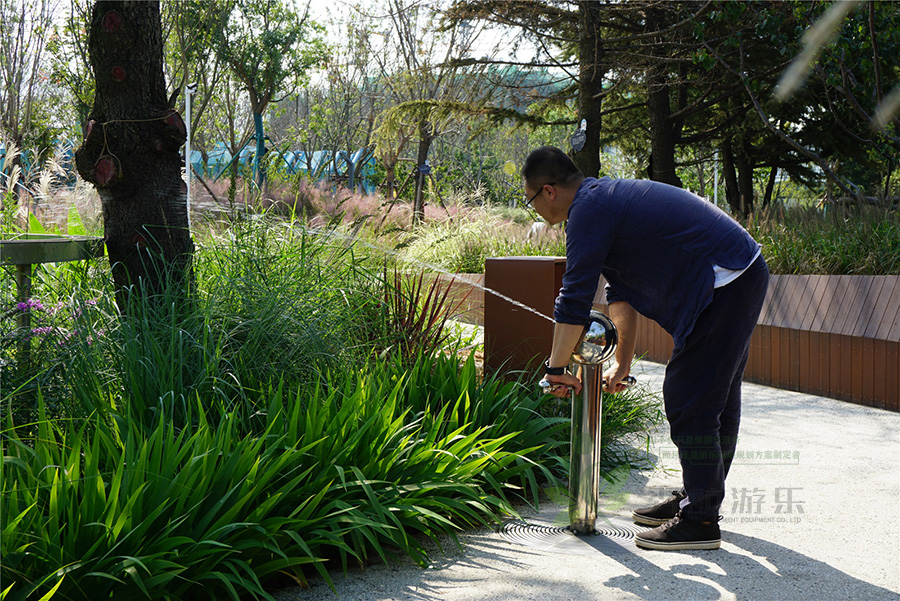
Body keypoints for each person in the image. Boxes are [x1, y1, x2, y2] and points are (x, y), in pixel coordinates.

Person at [523, 146, 769, 551]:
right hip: (737, 273)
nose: (534, 209)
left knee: (691, 400)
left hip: (726, 279)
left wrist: (554, 368)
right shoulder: (600, 201)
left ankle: (701, 518)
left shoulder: (588, 210)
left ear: (548, 191)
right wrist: (621, 364)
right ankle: (700, 496)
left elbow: (574, 298)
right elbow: (621, 293)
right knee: (714, 399)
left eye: (530, 199)